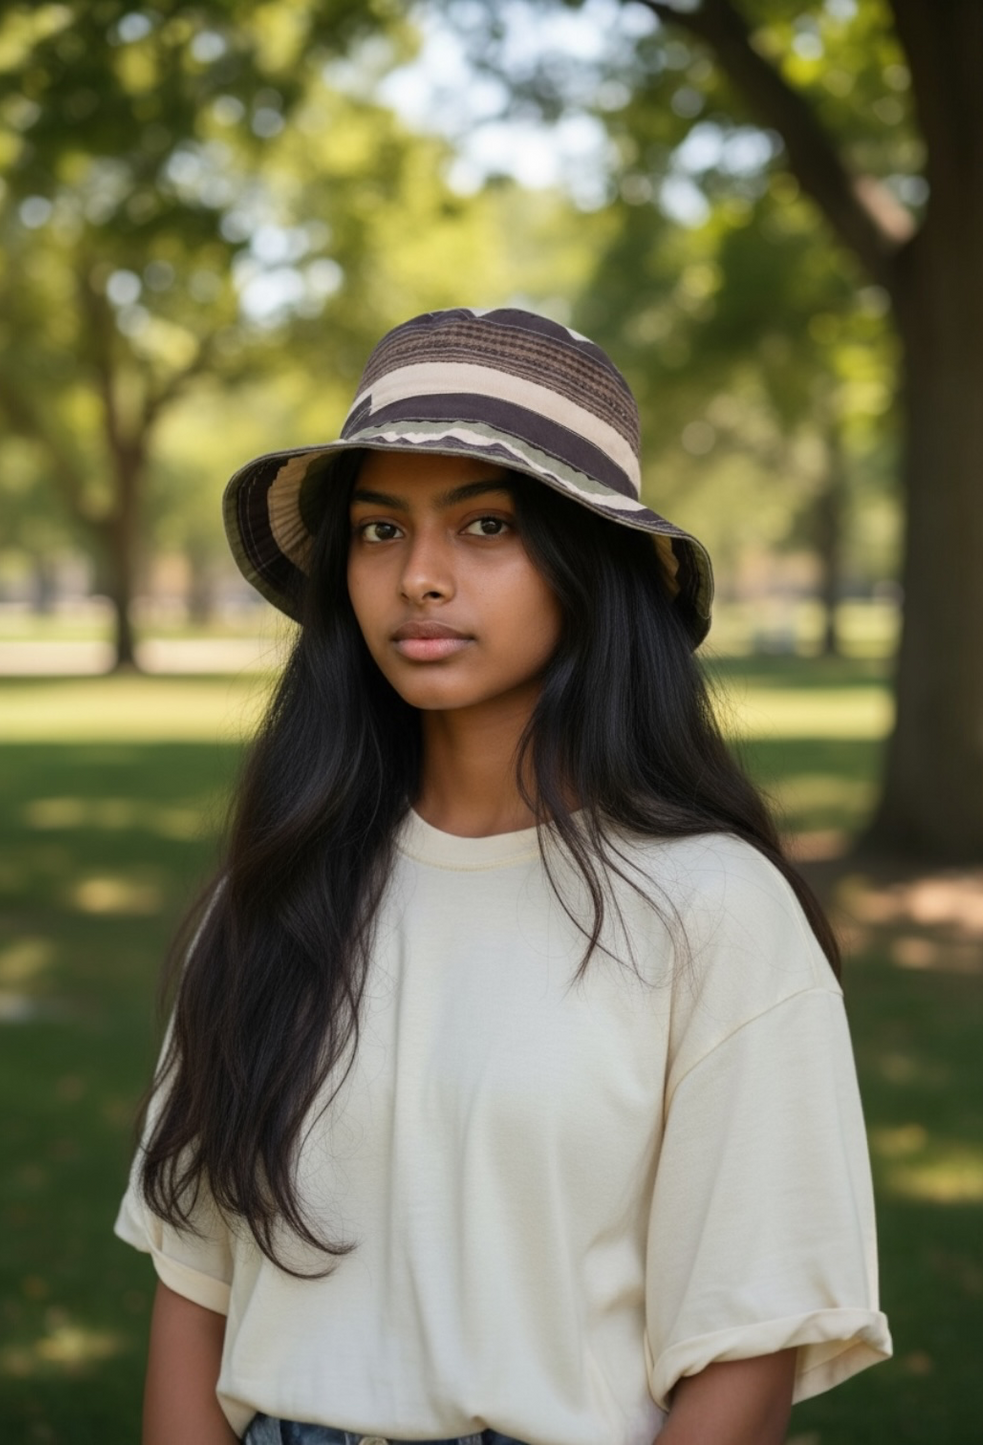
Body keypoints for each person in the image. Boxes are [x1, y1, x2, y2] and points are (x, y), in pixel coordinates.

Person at [115, 307, 892, 1445]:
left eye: (484, 523)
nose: (419, 577)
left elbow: (744, 1351)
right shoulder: (272, 896)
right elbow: (194, 1288)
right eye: (380, 531)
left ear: (591, 569)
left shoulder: (711, 911)